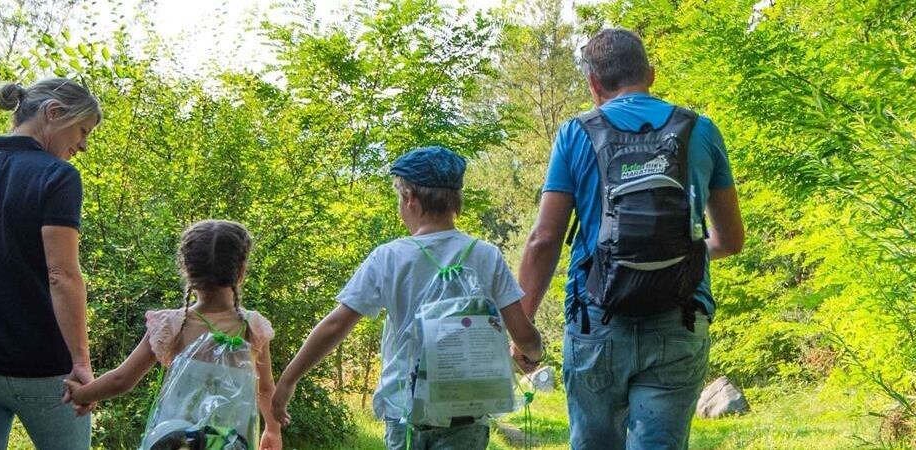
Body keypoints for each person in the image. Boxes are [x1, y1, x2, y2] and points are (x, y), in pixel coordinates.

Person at [514, 28, 746, 450]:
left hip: (596, 323)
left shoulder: (574, 134)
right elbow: (730, 240)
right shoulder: (702, 130)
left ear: (593, 84)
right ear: (651, 74)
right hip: (679, 320)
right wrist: (680, 254)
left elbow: (543, 240)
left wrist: (521, 327)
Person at [271, 146, 547, 450]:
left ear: (410, 198)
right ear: (456, 200)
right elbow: (521, 332)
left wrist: (289, 379)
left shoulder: (388, 258)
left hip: (405, 408)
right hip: (467, 408)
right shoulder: (486, 255)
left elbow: (336, 325)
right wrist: (533, 354)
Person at [0, 78, 103, 449]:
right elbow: (62, 275)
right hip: (42, 368)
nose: (84, 145)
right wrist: (81, 364)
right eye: (82, 130)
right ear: (54, 113)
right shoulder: (58, 177)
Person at [62, 220, 284, 450]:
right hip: (231, 442)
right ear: (241, 272)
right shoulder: (253, 327)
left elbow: (122, 380)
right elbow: (266, 389)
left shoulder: (172, 325)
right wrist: (272, 430)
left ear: (187, 270)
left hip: (174, 442)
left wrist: (82, 394)